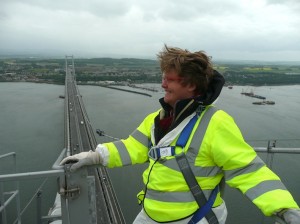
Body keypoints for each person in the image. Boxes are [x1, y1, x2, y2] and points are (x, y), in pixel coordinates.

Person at [60, 45, 300, 224]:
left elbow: (248, 170)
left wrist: (283, 209)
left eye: (169, 79)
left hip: (194, 218)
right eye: (163, 77)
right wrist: (94, 156)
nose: (163, 84)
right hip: (151, 215)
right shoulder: (158, 119)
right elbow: (133, 148)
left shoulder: (215, 123)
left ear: (192, 85)